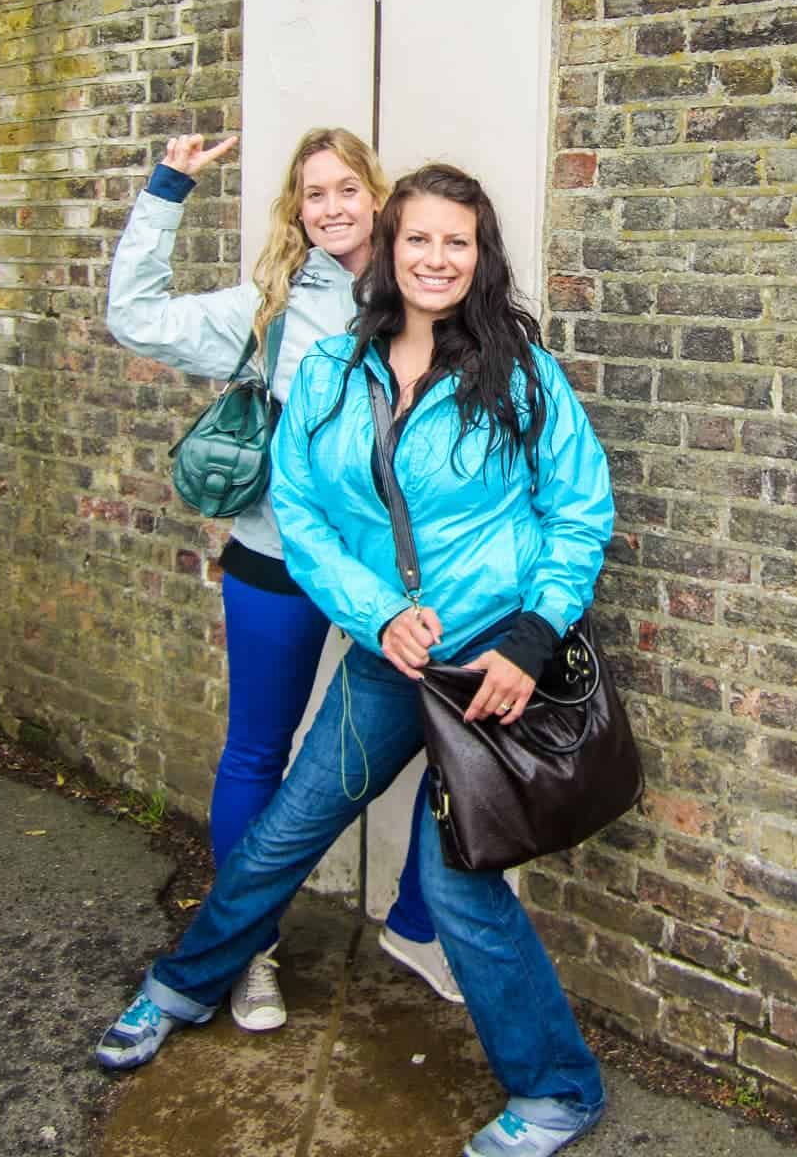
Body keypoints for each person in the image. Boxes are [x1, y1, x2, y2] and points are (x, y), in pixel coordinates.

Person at [96, 163, 614, 1157]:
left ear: (479, 253)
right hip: (389, 661)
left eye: (456, 242)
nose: (436, 258)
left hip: (494, 673)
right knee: (290, 825)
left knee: (458, 883)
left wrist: (530, 638)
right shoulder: (335, 368)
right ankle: (179, 984)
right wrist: (376, 616)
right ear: (391, 244)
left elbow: (578, 509)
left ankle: (557, 1091)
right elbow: (303, 515)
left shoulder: (518, 370)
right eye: (419, 238)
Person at [105, 129, 462, 1031]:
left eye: (348, 187)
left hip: (399, 580)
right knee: (259, 750)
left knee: (456, 742)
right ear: (295, 212)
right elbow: (135, 317)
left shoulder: (428, 291)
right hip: (279, 560)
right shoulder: (269, 306)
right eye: (314, 195)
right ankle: (244, 950)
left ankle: (420, 924)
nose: (333, 207)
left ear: (378, 196)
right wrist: (167, 189)